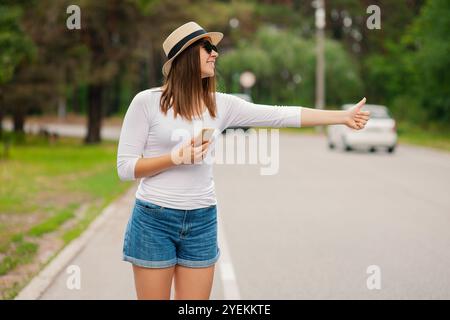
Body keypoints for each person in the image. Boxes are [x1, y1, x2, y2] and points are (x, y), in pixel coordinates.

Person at [117, 21, 370, 300]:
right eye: (207, 47)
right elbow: (126, 168)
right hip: (154, 220)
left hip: (202, 219)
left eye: (214, 48)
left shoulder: (221, 104)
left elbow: (280, 115)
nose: (215, 53)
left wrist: (341, 117)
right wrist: (176, 158)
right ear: (186, 56)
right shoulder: (147, 103)